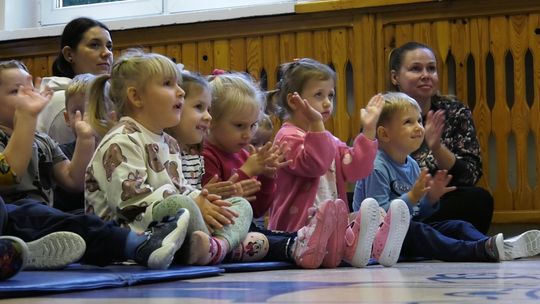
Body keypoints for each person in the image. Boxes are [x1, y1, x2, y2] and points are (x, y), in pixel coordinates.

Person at [0, 59, 190, 275]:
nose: (27, 95)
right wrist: (26, 117)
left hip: (41, 217)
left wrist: (85, 140)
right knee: (50, 216)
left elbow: (72, 180)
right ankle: (138, 245)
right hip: (14, 213)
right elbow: (9, 176)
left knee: (82, 220)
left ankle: (25, 251)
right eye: (16, 91)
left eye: (30, 89)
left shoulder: (42, 140)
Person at [84, 50, 253, 266]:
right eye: (168, 84)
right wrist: (193, 202)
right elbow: (129, 202)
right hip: (127, 230)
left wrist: (204, 198)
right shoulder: (121, 140)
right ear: (136, 97)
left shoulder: (169, 142)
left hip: (167, 219)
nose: (181, 92)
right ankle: (215, 246)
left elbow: (179, 187)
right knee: (182, 204)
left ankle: (215, 247)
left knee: (239, 205)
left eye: (179, 84)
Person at [353, 92, 540, 262]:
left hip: (405, 232)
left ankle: (494, 246)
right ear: (384, 134)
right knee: (418, 230)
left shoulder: (411, 165)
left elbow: (418, 213)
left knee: (457, 225)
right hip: (379, 241)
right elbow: (377, 217)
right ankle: (476, 250)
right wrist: (412, 197)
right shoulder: (376, 166)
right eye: (408, 122)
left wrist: (431, 200)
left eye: (419, 120)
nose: (419, 127)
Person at [267, 58, 410, 268]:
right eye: (319, 95)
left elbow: (356, 170)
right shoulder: (287, 137)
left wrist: (369, 130)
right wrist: (316, 124)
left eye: (330, 95)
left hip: (331, 228)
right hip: (298, 230)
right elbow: (314, 164)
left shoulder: (329, 139)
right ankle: (355, 246)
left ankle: (377, 245)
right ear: (293, 101)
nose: (327, 103)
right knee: (337, 221)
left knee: (373, 213)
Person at [389, 41, 494, 233]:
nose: (425, 75)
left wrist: (437, 147)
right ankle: (431, 235)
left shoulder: (454, 112)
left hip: (438, 202)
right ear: (395, 77)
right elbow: (368, 170)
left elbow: (469, 175)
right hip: (395, 200)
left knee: (479, 199)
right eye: (415, 69)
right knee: (356, 200)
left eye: (431, 68)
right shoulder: (383, 113)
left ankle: (412, 235)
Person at [166, 71, 269, 263]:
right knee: (261, 241)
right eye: (239, 126)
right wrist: (246, 173)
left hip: (226, 226)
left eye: (253, 125)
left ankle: (221, 247)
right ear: (214, 122)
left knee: (257, 233)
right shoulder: (204, 155)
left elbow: (257, 209)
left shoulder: (244, 154)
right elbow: (210, 203)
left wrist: (268, 177)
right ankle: (293, 245)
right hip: (206, 226)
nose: (249, 135)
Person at [37, 17, 113, 144]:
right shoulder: (64, 101)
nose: (107, 53)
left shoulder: (106, 93)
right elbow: (70, 159)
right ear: (69, 54)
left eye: (109, 47)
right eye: (94, 45)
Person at [53, 73, 96, 212]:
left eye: (95, 110)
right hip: (75, 218)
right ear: (66, 118)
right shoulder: (61, 154)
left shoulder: (120, 148)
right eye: (77, 112)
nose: (85, 118)